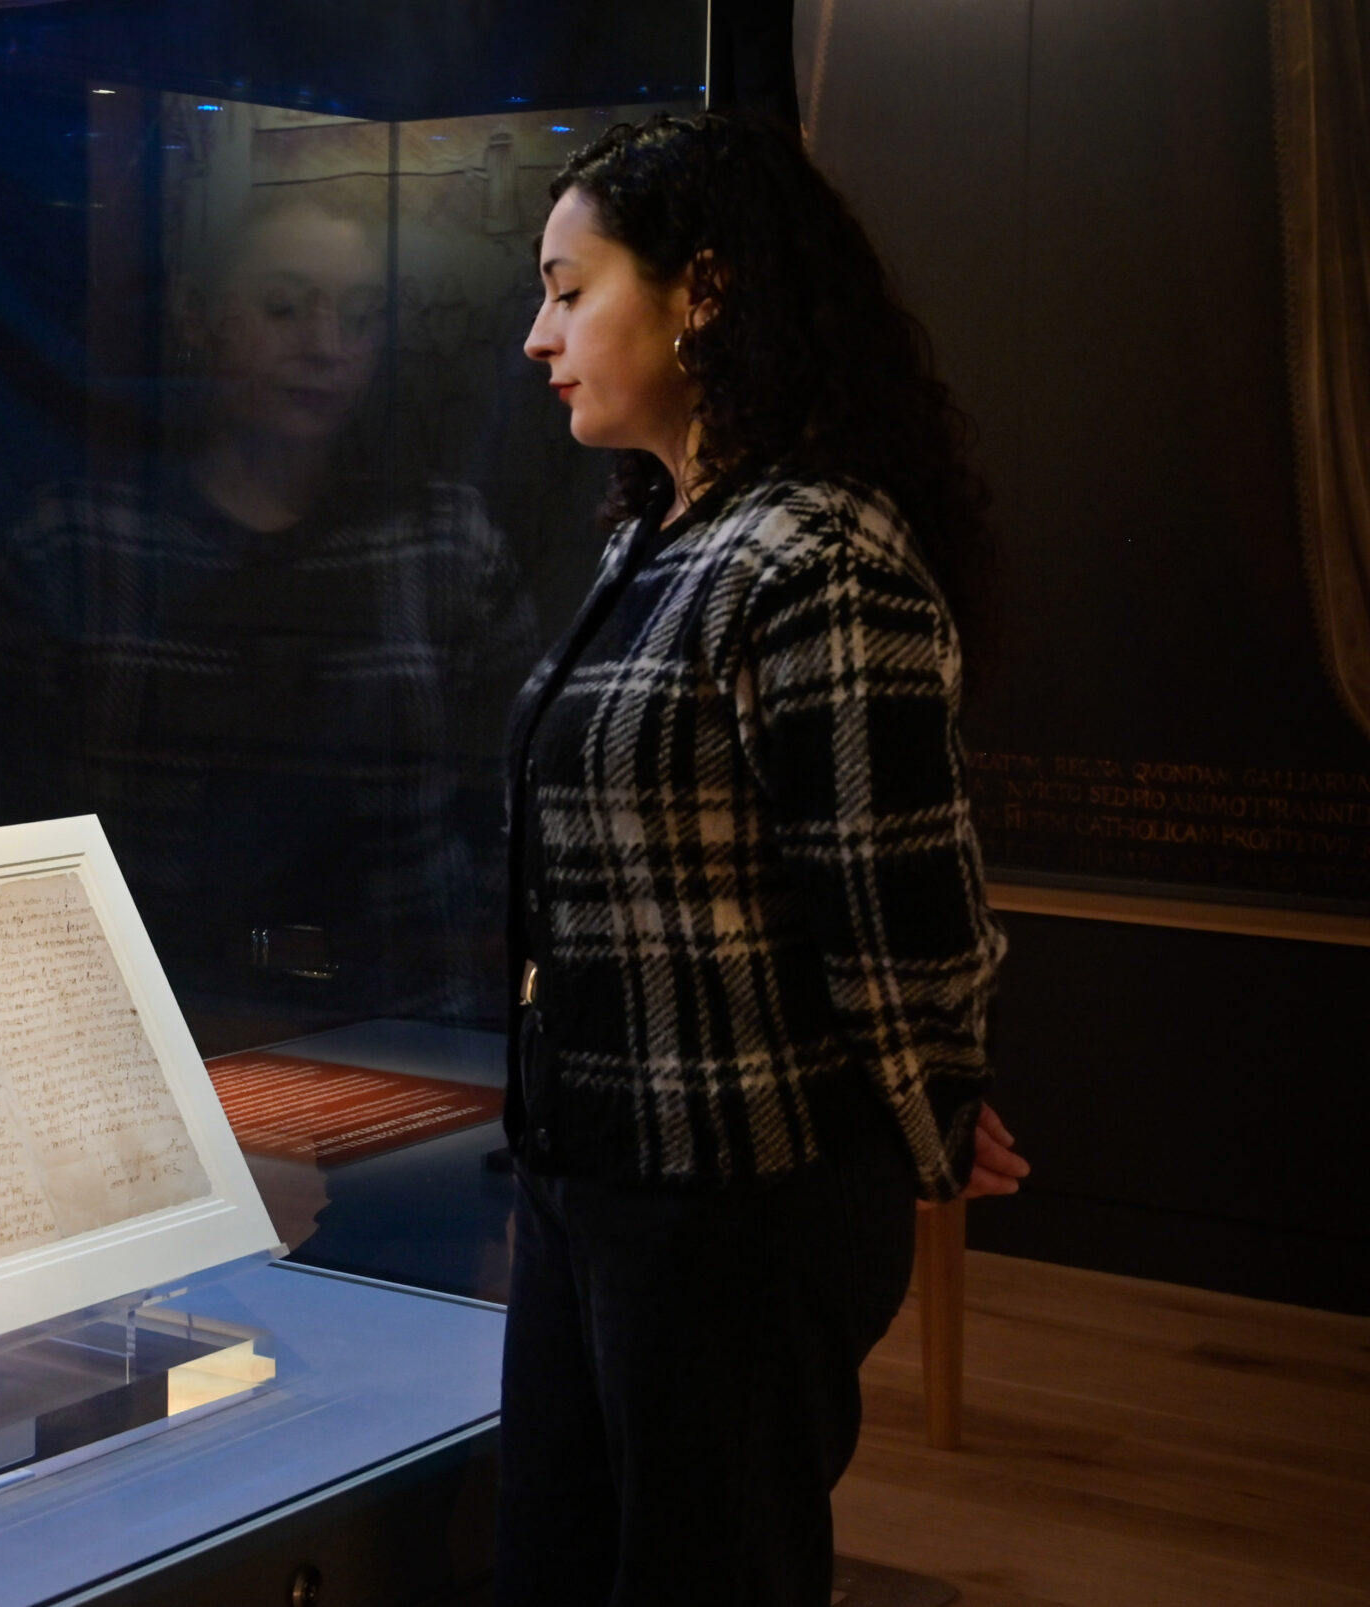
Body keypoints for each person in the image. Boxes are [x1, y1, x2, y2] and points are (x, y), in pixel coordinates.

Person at [498, 114, 1030, 1604]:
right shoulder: (665, 536)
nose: (538, 333)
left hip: (731, 1192)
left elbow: (897, 900)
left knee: (706, 1571)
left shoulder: (817, 558)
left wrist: (935, 1100)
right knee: (553, 1558)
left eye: (567, 285)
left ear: (703, 294)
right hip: (592, 1165)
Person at [0, 197, 530, 1034]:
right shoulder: (79, 542)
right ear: (200, 311)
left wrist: (462, 952)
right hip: (136, 1021)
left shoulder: (446, 544)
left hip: (407, 1024)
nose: (327, 347)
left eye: (363, 316)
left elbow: (513, 803)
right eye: (285, 308)